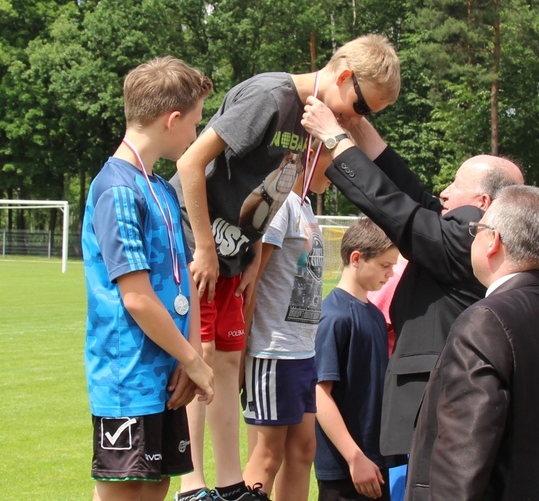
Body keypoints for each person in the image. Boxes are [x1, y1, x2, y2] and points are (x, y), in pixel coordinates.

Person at [169, 35, 400, 501]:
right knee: (202, 359)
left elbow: (272, 191)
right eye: (360, 106)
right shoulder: (271, 96)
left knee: (227, 363)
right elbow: (190, 162)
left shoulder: (313, 122)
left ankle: (231, 484)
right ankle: (192, 484)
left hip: (233, 254)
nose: (357, 119)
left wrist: (252, 253)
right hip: (196, 245)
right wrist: (205, 249)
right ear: (342, 76)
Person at [301, 102, 525, 459]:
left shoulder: (469, 241)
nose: (444, 192)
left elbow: (398, 209)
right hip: (437, 421)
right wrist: (358, 125)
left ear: (483, 203)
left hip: (435, 423)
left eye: (456, 184)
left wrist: (334, 138)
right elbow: (411, 194)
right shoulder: (470, 238)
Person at [405, 185, 539, 500]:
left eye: (476, 229)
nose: (473, 237)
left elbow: (462, 458)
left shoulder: (485, 322)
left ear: (492, 240)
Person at [81, 56, 215, 501]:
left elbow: (186, 279)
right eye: (195, 124)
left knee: (156, 486)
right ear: (171, 119)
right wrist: (193, 362)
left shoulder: (159, 187)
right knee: (125, 492)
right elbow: (136, 298)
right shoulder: (117, 189)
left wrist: (190, 353)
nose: (196, 135)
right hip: (127, 379)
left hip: (167, 375)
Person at [240, 145, 332, 500]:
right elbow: (251, 282)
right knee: (267, 456)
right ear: (310, 158)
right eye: (331, 161)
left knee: (303, 450)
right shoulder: (282, 207)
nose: (336, 171)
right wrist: (240, 352)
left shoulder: (305, 206)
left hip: (302, 351)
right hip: (272, 351)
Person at [314, 218, 401, 501]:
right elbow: (319, 394)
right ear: (357, 258)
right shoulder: (334, 317)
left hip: (377, 460)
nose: (390, 274)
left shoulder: (375, 315)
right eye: (385, 265)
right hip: (345, 468)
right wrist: (354, 457)